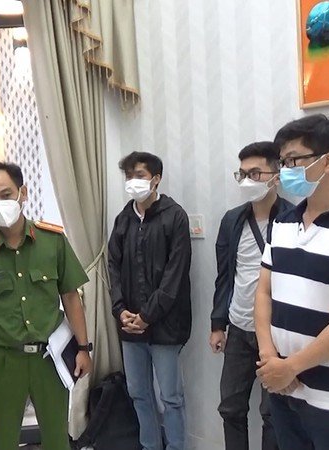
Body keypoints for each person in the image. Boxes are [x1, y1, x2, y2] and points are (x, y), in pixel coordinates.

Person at [0, 162, 93, 450]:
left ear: (22, 193)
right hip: (2, 361)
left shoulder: (53, 241)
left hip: (50, 357)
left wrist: (83, 348)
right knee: (2, 441)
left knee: (57, 440)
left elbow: (70, 296)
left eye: (6, 194)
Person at [255, 114, 329, 450]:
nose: (285, 171)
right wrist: (270, 359)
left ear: (328, 161)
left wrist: (291, 366)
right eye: (283, 162)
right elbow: (264, 292)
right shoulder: (283, 222)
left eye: (293, 160)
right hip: (285, 390)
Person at [210, 142, 291, 450]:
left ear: (276, 175)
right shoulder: (232, 220)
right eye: (242, 174)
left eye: (255, 173)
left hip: (277, 332)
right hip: (239, 328)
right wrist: (218, 324)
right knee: (230, 407)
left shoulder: (294, 218)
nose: (247, 181)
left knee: (274, 413)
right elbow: (224, 276)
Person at [108, 151, 191, 450]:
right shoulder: (123, 219)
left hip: (165, 325)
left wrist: (147, 315)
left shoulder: (174, 216)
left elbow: (175, 275)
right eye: (129, 176)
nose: (133, 181)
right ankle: (150, 446)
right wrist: (120, 310)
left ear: (156, 179)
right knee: (138, 393)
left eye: (139, 175)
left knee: (171, 397)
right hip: (130, 326)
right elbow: (113, 267)